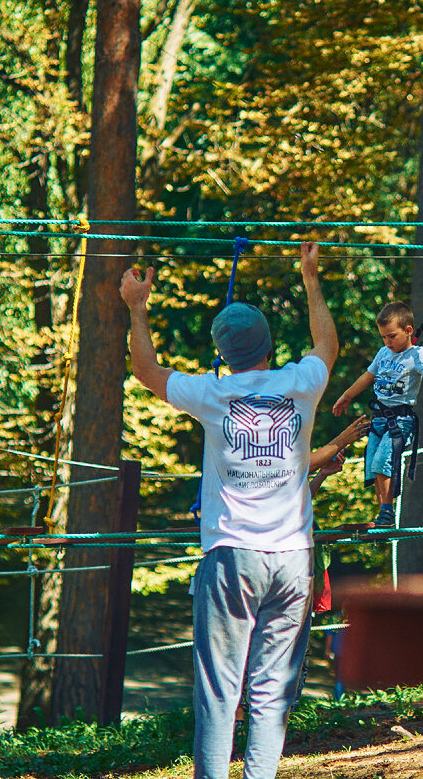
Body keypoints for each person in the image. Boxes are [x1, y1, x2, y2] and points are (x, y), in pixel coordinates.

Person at [119, 241, 337, 779]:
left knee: (220, 689)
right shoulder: (301, 384)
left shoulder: (210, 395)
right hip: (293, 559)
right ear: (268, 344)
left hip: (231, 557)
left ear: (222, 352)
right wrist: (310, 278)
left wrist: (137, 307)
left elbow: (145, 370)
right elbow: (327, 344)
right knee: (272, 690)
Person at [331, 302, 423, 527]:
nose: (387, 342)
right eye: (383, 337)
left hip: (400, 420)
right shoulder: (383, 353)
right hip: (379, 417)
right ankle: (382, 512)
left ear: (408, 331)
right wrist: (347, 395)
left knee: (383, 462)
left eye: (391, 336)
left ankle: (387, 512)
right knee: (372, 465)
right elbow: (367, 377)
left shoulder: (418, 354)